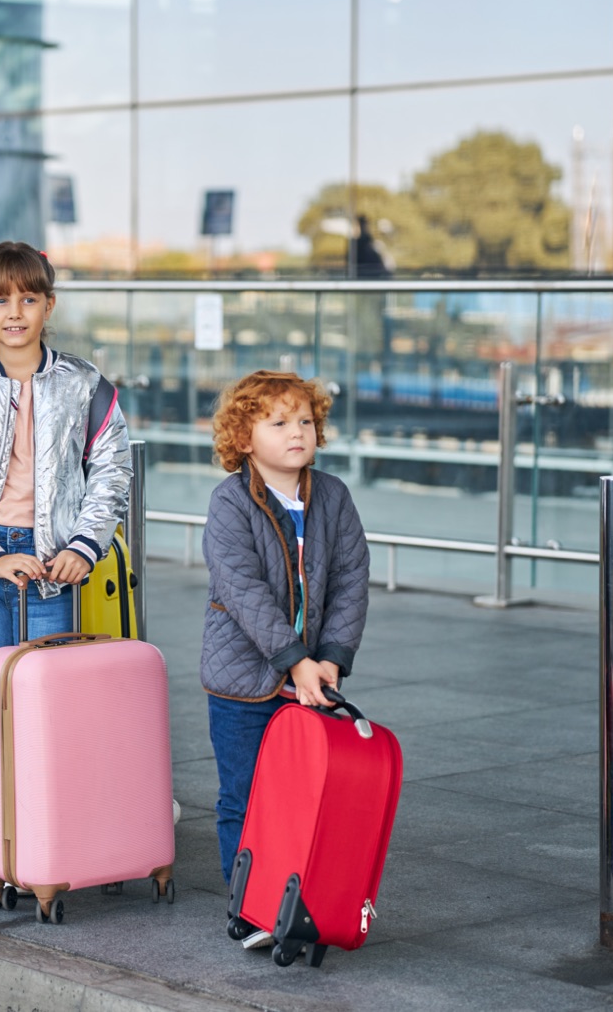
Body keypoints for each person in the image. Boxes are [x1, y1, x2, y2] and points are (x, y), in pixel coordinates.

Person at [0, 242, 132, 776]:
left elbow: (112, 475)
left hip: (52, 567)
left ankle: (50, 821)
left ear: (49, 304)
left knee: (48, 704)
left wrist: (84, 547)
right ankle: (3, 826)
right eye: (0, 300)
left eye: (28, 299)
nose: (14, 312)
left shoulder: (86, 386)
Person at [200, 371, 370, 892]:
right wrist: (295, 660)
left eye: (305, 421)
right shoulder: (230, 502)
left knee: (303, 797)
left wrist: (332, 657)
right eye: (278, 423)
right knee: (245, 796)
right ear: (243, 439)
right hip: (243, 683)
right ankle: (249, 903)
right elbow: (243, 592)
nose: (297, 431)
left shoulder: (333, 496)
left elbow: (350, 580)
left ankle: (294, 896)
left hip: (313, 677)